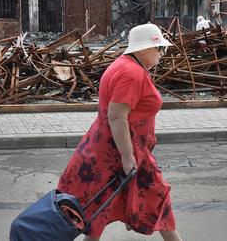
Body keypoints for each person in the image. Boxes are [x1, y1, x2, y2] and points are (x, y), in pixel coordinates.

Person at [57, 23, 182, 241]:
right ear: (143, 50)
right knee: (108, 206)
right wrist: (127, 156)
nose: (162, 54)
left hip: (119, 151)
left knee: (101, 207)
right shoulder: (132, 73)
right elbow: (116, 115)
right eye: (159, 49)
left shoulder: (123, 65)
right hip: (121, 154)